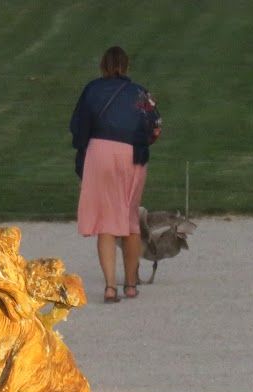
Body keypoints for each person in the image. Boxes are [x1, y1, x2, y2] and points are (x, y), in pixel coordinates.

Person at [69, 46, 161, 304]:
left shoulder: (92, 90)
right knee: (130, 220)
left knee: (105, 223)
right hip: (133, 155)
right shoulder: (140, 93)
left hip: (99, 153)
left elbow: (77, 127)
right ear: (126, 65)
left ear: (103, 65)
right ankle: (130, 285)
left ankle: (110, 286)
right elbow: (155, 128)